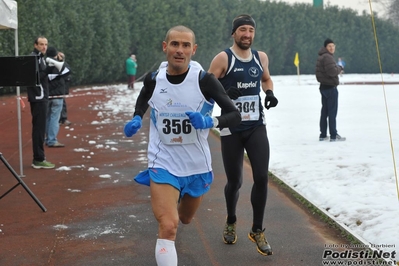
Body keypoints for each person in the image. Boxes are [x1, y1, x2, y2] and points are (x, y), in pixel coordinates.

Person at [124, 25, 241, 266]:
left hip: (196, 166)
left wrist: (210, 121)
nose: (180, 50)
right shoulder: (155, 79)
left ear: (193, 50)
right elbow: (144, 97)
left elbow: (234, 114)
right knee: (168, 225)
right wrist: (137, 116)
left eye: (186, 45)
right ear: (165, 47)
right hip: (163, 163)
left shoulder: (204, 81)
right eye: (175, 44)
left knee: (185, 218)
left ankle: (177, 203)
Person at [208, 14, 278, 256]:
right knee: (235, 181)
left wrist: (269, 93)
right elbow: (206, 88)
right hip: (231, 129)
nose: (247, 34)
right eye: (242, 30)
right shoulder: (223, 58)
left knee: (261, 177)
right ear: (234, 33)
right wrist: (225, 92)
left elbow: (266, 79)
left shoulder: (261, 58)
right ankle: (230, 220)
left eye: (250, 30)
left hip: (256, 126)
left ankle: (257, 230)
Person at [27, 36, 55, 169]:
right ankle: (38, 159)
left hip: (42, 97)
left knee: (40, 128)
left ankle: (39, 157)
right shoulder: (33, 58)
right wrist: (47, 71)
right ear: (35, 45)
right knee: (39, 129)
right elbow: (34, 78)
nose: (44, 47)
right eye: (41, 44)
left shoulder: (40, 58)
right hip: (38, 98)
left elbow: (43, 77)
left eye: (46, 44)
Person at [315, 38, 346, 142]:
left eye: (333, 46)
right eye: (329, 46)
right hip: (330, 88)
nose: (332, 48)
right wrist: (340, 68)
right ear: (325, 47)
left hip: (323, 87)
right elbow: (332, 72)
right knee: (332, 112)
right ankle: (333, 135)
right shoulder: (328, 57)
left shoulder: (321, 56)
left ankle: (323, 135)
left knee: (325, 111)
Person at [45, 47, 71, 147]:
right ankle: (52, 140)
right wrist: (62, 60)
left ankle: (47, 139)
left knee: (47, 118)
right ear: (56, 54)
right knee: (55, 118)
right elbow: (68, 71)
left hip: (47, 95)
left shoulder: (44, 63)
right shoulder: (59, 63)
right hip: (57, 95)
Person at [58, 51, 72, 126]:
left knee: (62, 103)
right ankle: (58, 119)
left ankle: (63, 118)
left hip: (61, 88)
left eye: (61, 56)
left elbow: (68, 75)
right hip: (54, 89)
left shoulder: (65, 65)